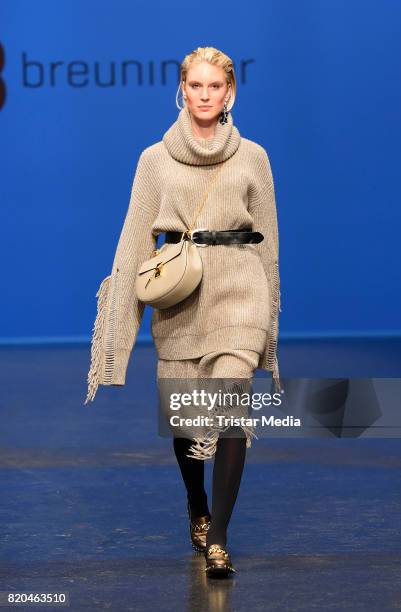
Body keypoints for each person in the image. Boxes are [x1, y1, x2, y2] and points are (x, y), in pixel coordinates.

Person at [84, 46, 281, 577]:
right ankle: (197, 506)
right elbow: (132, 241)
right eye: (195, 86)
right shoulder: (154, 159)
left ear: (230, 93)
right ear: (182, 90)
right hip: (181, 298)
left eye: (214, 87)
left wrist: (269, 334)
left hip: (241, 287)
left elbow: (269, 245)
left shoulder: (254, 157)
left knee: (232, 404)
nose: (204, 95)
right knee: (187, 419)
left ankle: (218, 539)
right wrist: (117, 336)